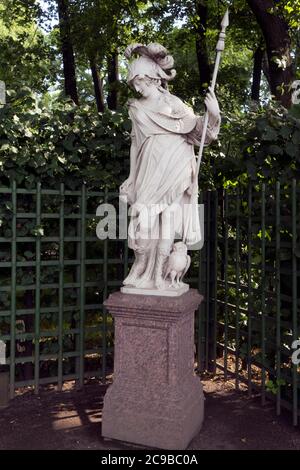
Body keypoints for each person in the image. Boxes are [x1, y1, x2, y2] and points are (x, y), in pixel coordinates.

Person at [120, 43, 221, 291]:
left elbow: (201, 132)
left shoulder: (174, 103)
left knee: (168, 221)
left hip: (176, 164)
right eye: (133, 83)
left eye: (140, 81)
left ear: (154, 78)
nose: (136, 87)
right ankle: (141, 270)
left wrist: (214, 115)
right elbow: (135, 142)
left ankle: (159, 276)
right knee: (142, 222)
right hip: (147, 168)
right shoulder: (135, 108)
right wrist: (132, 177)